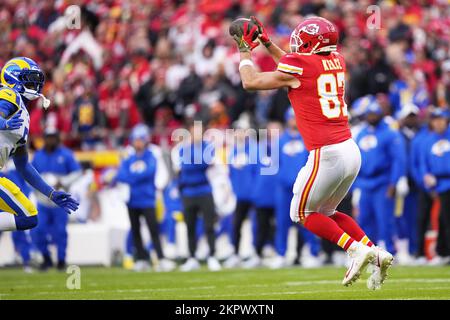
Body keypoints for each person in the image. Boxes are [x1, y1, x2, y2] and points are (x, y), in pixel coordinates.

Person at [231, 16, 392, 289]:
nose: (296, 45)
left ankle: (354, 249)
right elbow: (294, 66)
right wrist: (268, 43)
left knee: (302, 213)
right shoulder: (336, 60)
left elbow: (251, 81)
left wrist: (245, 49)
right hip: (349, 150)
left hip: (326, 152)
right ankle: (375, 252)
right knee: (327, 211)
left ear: (312, 43)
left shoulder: (301, 65)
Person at [0, 57, 79, 233]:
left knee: (29, 217)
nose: (35, 84)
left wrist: (51, 193)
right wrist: (3, 124)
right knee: (27, 217)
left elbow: (24, 166)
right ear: (13, 77)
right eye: (30, 78)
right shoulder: (8, 95)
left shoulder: (23, 114)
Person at [116, 124, 175, 272]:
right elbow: (121, 175)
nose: (137, 143)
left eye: (140, 140)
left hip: (148, 198)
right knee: (136, 230)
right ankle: (141, 259)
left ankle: (160, 258)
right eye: (135, 140)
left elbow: (150, 172)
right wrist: (136, 177)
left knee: (153, 230)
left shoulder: (152, 154)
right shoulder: (128, 156)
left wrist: (133, 177)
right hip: (132, 199)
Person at [354, 100, 408, 256]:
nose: (371, 117)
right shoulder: (362, 133)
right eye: (369, 114)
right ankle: (367, 253)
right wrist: (355, 183)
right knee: (364, 219)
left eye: (374, 114)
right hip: (364, 183)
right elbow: (355, 159)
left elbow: (398, 159)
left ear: (380, 115)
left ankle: (390, 252)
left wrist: (394, 182)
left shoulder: (390, 133)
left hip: (383, 181)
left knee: (385, 219)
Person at [270, 108, 321, 269]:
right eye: (291, 118)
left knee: (307, 221)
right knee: (282, 222)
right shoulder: (279, 141)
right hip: (284, 189)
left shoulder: (307, 139)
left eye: (295, 117)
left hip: (302, 189)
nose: (293, 121)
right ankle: (281, 253)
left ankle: (313, 253)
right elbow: (274, 164)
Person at [172, 121, 221, 271]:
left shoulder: (208, 147)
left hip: (204, 190)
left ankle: (212, 256)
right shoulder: (182, 148)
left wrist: (194, 163)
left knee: (209, 225)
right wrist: (197, 163)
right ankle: (192, 257)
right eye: (194, 131)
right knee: (190, 226)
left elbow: (204, 164)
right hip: (188, 192)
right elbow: (183, 167)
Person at [31, 127, 82, 270]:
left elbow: (77, 172)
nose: (51, 140)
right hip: (42, 201)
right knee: (38, 230)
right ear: (44, 138)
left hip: (60, 202)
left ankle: (61, 260)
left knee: (60, 232)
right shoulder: (38, 155)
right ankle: (46, 257)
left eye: (53, 137)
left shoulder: (66, 154)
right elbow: (31, 175)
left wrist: (64, 181)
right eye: (48, 137)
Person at [224, 122, 257, 268]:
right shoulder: (233, 151)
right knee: (236, 224)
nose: (239, 134)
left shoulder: (256, 150)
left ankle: (255, 252)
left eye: (242, 131)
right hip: (240, 195)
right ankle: (235, 253)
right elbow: (231, 174)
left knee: (256, 225)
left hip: (254, 195)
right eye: (237, 131)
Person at [420, 108, 450, 265]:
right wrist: (426, 177)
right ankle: (443, 252)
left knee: (445, 218)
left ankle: (443, 251)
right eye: (435, 119)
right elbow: (423, 163)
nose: (438, 122)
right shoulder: (428, 140)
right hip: (439, 184)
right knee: (442, 218)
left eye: (441, 119)